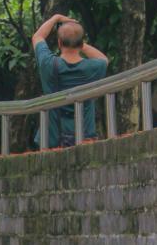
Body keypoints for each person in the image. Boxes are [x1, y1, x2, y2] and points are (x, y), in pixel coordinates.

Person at [32, 13, 108, 147]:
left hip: (51, 139)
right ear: (81, 43)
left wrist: (55, 18)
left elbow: (37, 37)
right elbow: (104, 59)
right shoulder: (93, 68)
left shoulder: (48, 64)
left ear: (59, 43)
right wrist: (78, 41)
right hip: (84, 138)